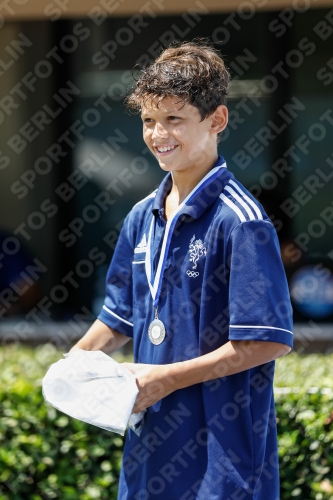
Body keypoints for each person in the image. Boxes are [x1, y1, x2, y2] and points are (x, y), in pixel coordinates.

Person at [70, 41, 293, 500]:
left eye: (174, 119)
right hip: (149, 457)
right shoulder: (140, 216)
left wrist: (162, 379)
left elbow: (266, 341)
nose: (158, 134)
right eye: (149, 121)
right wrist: (75, 363)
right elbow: (119, 317)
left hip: (223, 466)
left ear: (217, 120)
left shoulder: (242, 222)